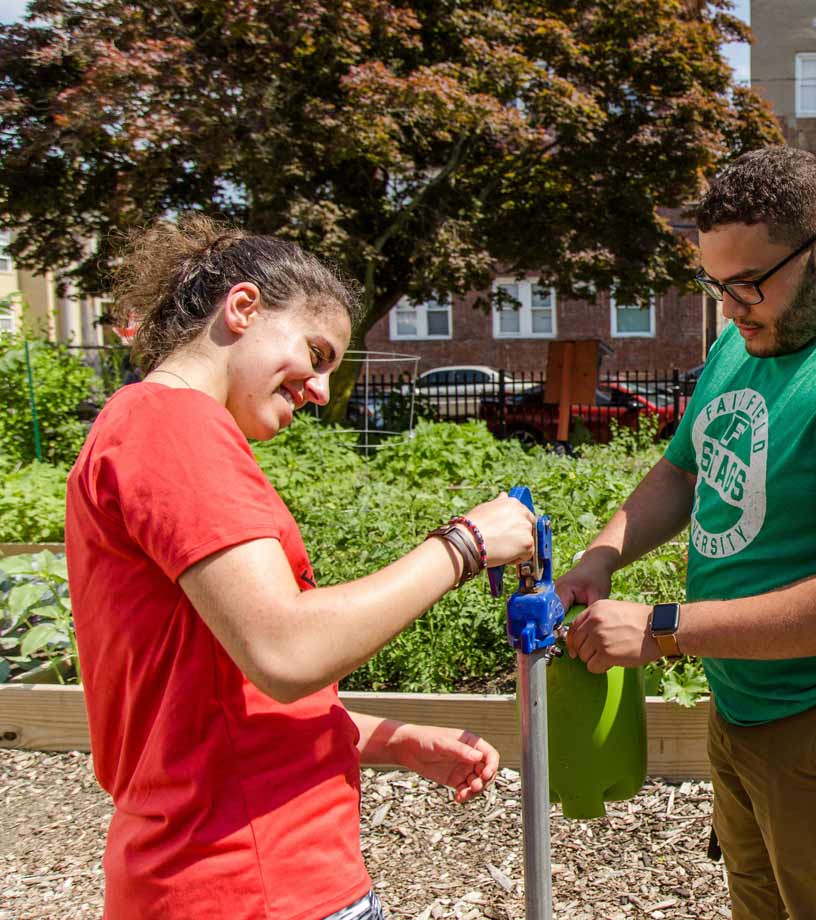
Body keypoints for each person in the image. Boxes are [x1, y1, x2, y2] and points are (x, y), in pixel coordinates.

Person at [65, 217, 538, 920]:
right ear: (244, 308)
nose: (319, 388)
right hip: (251, 883)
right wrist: (464, 544)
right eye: (316, 353)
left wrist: (394, 740)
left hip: (225, 872)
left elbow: (221, 701)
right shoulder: (175, 428)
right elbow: (286, 648)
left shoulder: (147, 427)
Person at [558, 146, 816, 919]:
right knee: (759, 899)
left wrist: (661, 629)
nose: (730, 307)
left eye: (749, 282)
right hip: (746, 682)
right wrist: (603, 554)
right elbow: (684, 470)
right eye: (716, 284)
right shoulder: (748, 338)